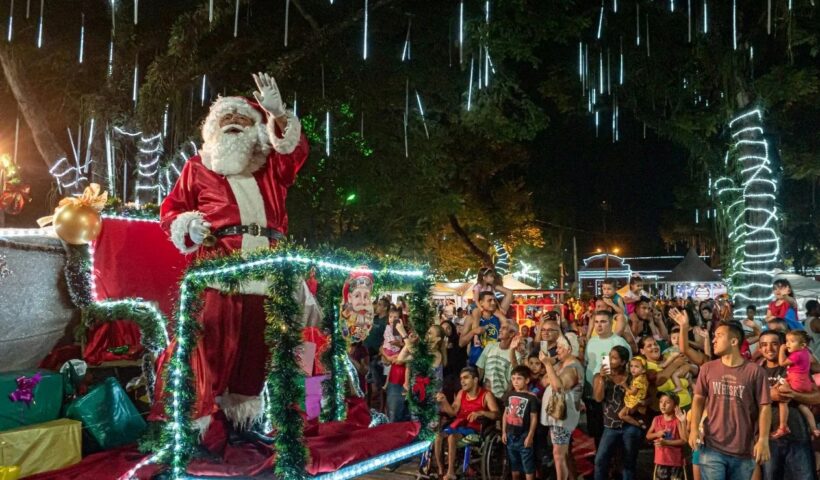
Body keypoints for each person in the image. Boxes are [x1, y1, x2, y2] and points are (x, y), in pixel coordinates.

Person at [152, 73, 308, 435]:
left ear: (256, 128)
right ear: (212, 129)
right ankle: (193, 427)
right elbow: (171, 211)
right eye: (227, 120)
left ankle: (242, 424)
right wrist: (188, 226)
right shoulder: (197, 167)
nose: (235, 124)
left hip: (266, 276)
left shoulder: (271, 169)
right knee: (207, 350)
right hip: (218, 274)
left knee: (255, 355)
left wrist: (279, 114)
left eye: (243, 120)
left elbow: (295, 152)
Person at [690, 321, 772, 480]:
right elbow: (698, 399)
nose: (714, 340)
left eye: (719, 336)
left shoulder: (755, 371)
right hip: (712, 446)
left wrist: (763, 439)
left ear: (734, 341)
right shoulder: (707, 368)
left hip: (744, 449)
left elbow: (765, 407)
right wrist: (693, 428)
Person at [757, 330, 820, 480]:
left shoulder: (795, 365)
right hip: (768, 439)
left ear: (783, 345)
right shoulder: (754, 371)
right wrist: (768, 395)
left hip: (798, 436)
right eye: (764, 345)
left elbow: (817, 397)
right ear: (759, 348)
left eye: (774, 344)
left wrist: (794, 395)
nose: (769, 348)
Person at [434, 367, 500, 480]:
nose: (462, 381)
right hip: (458, 425)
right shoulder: (461, 393)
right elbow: (453, 412)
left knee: (451, 438)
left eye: (466, 378)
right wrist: (444, 401)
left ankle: (451, 472)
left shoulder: (486, 395)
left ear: (475, 380)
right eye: (461, 379)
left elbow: (496, 414)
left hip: (474, 430)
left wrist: (481, 412)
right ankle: (441, 470)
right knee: (438, 437)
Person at [593, 346, 643, 480]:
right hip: (610, 425)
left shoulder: (632, 377)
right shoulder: (600, 376)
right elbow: (598, 398)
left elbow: (641, 397)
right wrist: (602, 379)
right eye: (609, 356)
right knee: (600, 460)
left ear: (623, 362)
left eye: (614, 358)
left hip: (630, 425)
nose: (609, 360)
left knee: (628, 463)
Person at [583, 310, 631, 446]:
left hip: (611, 397)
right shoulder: (591, 341)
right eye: (596, 322)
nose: (599, 325)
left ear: (611, 323)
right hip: (592, 393)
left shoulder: (619, 342)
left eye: (603, 322)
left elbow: (627, 369)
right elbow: (588, 364)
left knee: (611, 433)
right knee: (596, 430)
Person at [540, 336, 584, 480]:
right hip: (557, 416)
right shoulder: (563, 364)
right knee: (561, 454)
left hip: (563, 417)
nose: (556, 351)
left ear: (569, 349)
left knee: (559, 454)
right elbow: (544, 380)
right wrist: (553, 364)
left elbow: (558, 386)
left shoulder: (573, 367)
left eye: (559, 348)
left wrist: (547, 365)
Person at [771, 330, 819, 438]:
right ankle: (814, 429)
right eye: (787, 341)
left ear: (802, 345)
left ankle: (783, 427)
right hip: (804, 382)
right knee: (803, 406)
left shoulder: (796, 355)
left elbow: (782, 363)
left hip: (796, 382)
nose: (787, 344)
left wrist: (782, 350)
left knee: (782, 399)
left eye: (791, 341)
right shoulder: (806, 352)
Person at [502, 365, 539, 480]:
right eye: (513, 378)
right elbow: (505, 414)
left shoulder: (531, 398)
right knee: (514, 466)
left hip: (523, 436)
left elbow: (534, 417)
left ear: (527, 380)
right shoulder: (509, 395)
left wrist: (530, 436)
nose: (515, 381)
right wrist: (504, 432)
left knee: (528, 465)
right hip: (510, 435)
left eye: (519, 378)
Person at [460, 291, 510, 367]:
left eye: (494, 300)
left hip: (494, 362)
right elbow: (461, 343)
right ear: (481, 303)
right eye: (489, 300)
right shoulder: (471, 319)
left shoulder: (498, 317)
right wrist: (473, 332)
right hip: (477, 362)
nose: (493, 303)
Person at [646, 392, 689, 480]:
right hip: (661, 461)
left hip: (676, 462)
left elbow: (684, 440)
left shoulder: (678, 420)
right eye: (661, 402)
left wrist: (666, 442)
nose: (663, 405)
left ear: (675, 406)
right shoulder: (656, 419)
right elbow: (648, 436)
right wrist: (657, 434)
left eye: (667, 402)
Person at [476, 323, 525, 400]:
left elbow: (514, 378)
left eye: (504, 328)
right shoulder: (490, 346)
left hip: (501, 397)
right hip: (485, 395)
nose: (500, 330)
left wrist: (506, 396)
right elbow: (481, 368)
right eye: (500, 327)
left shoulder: (516, 355)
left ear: (512, 334)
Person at [364, 297, 390, 410]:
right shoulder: (374, 318)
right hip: (366, 352)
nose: (377, 306)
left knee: (378, 383)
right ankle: (368, 404)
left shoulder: (386, 322)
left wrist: (381, 352)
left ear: (385, 307)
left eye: (380, 305)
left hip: (377, 354)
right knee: (367, 382)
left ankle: (380, 407)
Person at [618, 356, 649, 428]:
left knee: (621, 415)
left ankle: (638, 425)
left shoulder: (639, 379)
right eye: (631, 366)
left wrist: (625, 386)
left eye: (636, 367)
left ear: (643, 370)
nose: (633, 369)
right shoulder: (639, 378)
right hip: (634, 401)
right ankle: (639, 422)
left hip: (634, 402)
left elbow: (633, 392)